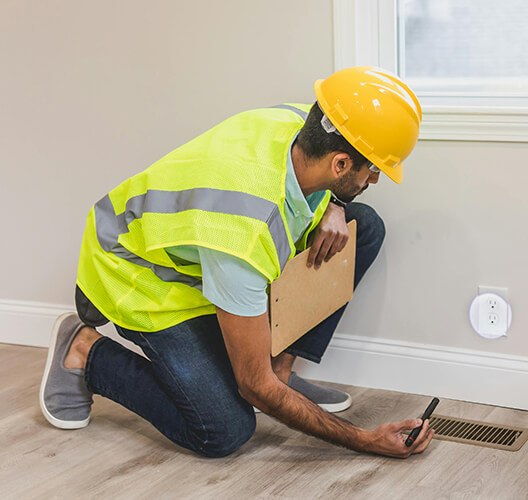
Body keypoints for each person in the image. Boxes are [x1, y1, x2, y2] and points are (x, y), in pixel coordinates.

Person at [38, 67, 435, 458]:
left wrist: (335, 203)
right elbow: (253, 386)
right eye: (375, 170)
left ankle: (282, 371)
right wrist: (366, 440)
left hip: (205, 255)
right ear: (341, 164)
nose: (377, 180)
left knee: (361, 225)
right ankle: (84, 351)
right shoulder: (244, 232)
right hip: (139, 274)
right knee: (225, 428)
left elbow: (334, 177)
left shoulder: (304, 122)